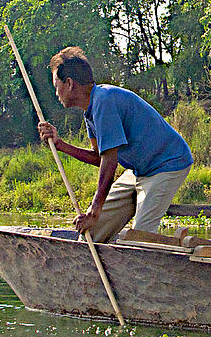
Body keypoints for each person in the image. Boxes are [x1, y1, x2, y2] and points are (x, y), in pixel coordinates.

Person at [37, 46, 193, 243]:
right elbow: (98, 157)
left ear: (69, 83)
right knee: (90, 236)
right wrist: (60, 145)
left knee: (140, 240)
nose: (56, 93)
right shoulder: (90, 110)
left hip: (166, 165)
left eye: (56, 85)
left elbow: (110, 163)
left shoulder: (104, 100)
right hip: (138, 171)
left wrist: (94, 211)